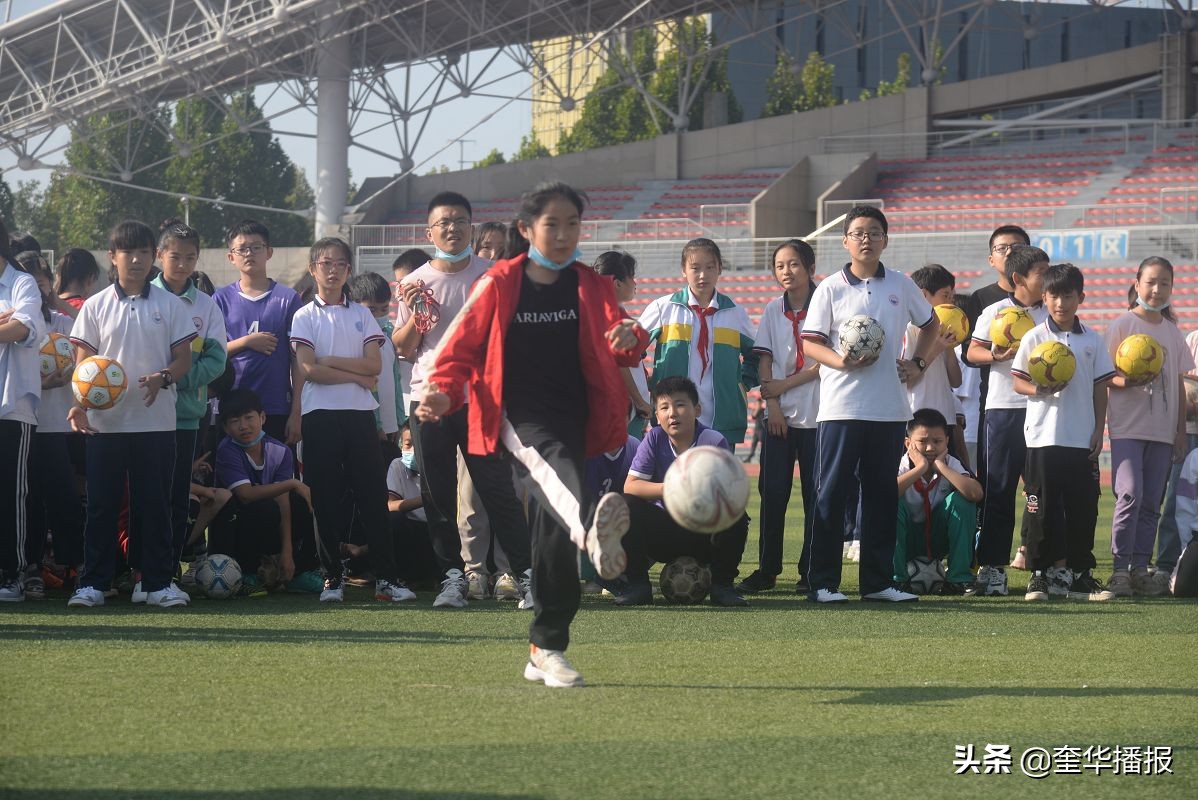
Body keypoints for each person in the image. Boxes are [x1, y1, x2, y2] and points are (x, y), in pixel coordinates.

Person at [416, 181, 648, 688]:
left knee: (553, 535)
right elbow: (458, 350)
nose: (563, 234)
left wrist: (630, 337)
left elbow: (622, 340)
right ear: (526, 230)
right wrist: (441, 391)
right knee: (564, 486)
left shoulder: (589, 284)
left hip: (575, 418)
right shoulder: (500, 283)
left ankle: (546, 646)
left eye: (572, 224)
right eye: (552, 224)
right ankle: (593, 527)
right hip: (518, 416)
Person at [394, 191, 533, 609]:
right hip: (428, 397)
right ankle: (453, 578)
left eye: (459, 221)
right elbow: (402, 347)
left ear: (472, 227)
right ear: (429, 231)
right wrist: (418, 320)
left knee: (497, 490)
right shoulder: (413, 281)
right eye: (443, 223)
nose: (451, 229)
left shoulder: (495, 275)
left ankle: (525, 577)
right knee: (438, 493)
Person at [799, 205, 941, 603]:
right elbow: (810, 342)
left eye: (874, 232)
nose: (866, 239)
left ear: (885, 240)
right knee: (831, 495)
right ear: (845, 240)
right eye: (858, 233)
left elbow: (931, 326)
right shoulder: (830, 287)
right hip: (841, 408)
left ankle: (877, 583)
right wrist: (841, 361)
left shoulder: (900, 284)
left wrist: (918, 363)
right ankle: (823, 583)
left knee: (881, 495)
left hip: (889, 408)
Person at [65, 220, 196, 608]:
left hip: (157, 423)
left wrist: (164, 377)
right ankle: (93, 583)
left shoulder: (170, 305)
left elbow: (184, 359)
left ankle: (155, 583)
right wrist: (78, 405)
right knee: (103, 504)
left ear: (154, 256)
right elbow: (83, 366)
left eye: (143, 252)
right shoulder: (95, 305)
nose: (136, 259)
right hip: (106, 425)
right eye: (128, 252)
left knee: (154, 503)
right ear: (113, 257)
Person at [290, 237, 411, 604]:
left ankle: (386, 578)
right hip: (319, 415)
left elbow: (375, 365)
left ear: (348, 270)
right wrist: (356, 375)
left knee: (372, 496)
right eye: (325, 263)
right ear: (313, 269)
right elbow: (308, 370)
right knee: (325, 498)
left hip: (360, 415)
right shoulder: (303, 316)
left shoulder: (361, 314)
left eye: (340, 264)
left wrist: (332, 362)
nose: (333, 269)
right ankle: (332, 578)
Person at [1012, 263, 1116, 602]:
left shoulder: (1093, 340)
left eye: (1068, 295)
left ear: (1080, 297)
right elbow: (1017, 381)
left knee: (1083, 508)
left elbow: (1101, 389)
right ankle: (1040, 576)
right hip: (1043, 436)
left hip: (1081, 436)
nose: (1061, 303)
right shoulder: (1034, 337)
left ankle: (1080, 576)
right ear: (1044, 297)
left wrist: (1099, 430)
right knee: (1040, 507)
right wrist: (1038, 391)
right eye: (1054, 295)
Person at [1103, 257, 1193, 597]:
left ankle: (1140, 569)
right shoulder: (1123, 325)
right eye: (1151, 282)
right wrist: (1127, 380)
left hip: (1163, 432)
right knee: (1129, 494)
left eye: (1164, 283)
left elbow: (1179, 385)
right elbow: (1105, 376)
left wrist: (1180, 433)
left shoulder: (1172, 333)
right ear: (1137, 284)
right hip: (1127, 427)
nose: (1157, 290)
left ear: (1172, 287)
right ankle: (1118, 570)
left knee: (1152, 502)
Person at [148, 221, 227, 598]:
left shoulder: (206, 305)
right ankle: (139, 572)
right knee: (146, 495)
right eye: (174, 256)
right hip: (142, 414)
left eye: (190, 257)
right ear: (160, 255)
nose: (181, 264)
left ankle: (166, 572)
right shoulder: (143, 295)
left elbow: (216, 361)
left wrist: (172, 379)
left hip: (183, 416)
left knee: (178, 497)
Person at [620, 376, 750, 607]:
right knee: (626, 505)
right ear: (656, 415)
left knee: (736, 514)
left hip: (703, 533)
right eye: (664, 407)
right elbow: (631, 486)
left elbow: (729, 491)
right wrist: (673, 488)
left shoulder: (713, 440)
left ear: (697, 409)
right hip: (664, 533)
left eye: (680, 405)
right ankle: (638, 586)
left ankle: (722, 586)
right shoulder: (654, 438)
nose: (673, 413)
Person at [737, 239, 820, 595]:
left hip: (821, 414)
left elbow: (823, 363)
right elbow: (764, 358)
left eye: (794, 264)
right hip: (779, 417)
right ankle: (768, 569)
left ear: (810, 267)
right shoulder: (773, 308)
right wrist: (773, 407)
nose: (786, 271)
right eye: (780, 266)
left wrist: (783, 385)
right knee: (772, 492)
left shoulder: (828, 301)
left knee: (817, 495)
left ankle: (811, 569)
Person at [966, 245, 1050, 596]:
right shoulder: (994, 311)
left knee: (1038, 494)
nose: (1047, 279)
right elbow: (972, 352)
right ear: (1018, 278)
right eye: (1041, 272)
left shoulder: (1051, 314)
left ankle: (1039, 567)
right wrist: (994, 354)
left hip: (1043, 412)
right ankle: (993, 568)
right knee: (998, 491)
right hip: (1002, 411)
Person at [638, 238, 758, 445]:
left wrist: (740, 385)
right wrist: (650, 384)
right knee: (673, 477)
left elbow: (757, 356)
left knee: (717, 477)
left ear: (720, 269)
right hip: (673, 419)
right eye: (695, 268)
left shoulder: (735, 313)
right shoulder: (663, 307)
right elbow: (631, 350)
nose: (703, 275)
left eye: (710, 267)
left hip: (722, 421)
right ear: (683, 270)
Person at [21, 254, 83, 598]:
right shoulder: (13, 323)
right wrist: (38, 382)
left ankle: (72, 564)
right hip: (23, 422)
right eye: (27, 279)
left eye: (41, 279)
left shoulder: (64, 321)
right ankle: (30, 567)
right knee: (28, 501)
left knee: (65, 498)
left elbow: (91, 349)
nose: (36, 286)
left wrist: (74, 374)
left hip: (61, 424)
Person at [210, 389, 313, 595]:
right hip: (233, 530)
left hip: (267, 525)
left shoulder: (280, 451)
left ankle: (296, 571)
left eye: (249, 418)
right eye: (235, 421)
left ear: (263, 417)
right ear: (225, 427)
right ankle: (246, 572)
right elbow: (246, 495)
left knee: (303, 504)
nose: (244, 426)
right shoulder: (227, 449)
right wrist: (293, 483)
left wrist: (287, 551)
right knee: (263, 507)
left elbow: (283, 501)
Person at [212, 220, 304, 445]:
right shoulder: (220, 300)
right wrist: (245, 342)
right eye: (242, 249)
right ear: (231, 257)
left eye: (256, 247)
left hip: (276, 406)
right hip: (231, 408)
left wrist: (296, 412)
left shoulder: (288, 299)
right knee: (233, 477)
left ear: (269, 252)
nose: (249, 253)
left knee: (278, 473)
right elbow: (210, 354)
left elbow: (299, 361)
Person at [0, 226, 47, 602]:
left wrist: (11, 325)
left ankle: (11, 574)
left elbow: (22, 329)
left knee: (10, 492)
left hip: (11, 403)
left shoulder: (22, 284)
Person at [893, 408, 983, 595]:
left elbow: (975, 494)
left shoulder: (950, 463)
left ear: (947, 442)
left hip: (937, 537)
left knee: (962, 501)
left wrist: (940, 467)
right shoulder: (901, 464)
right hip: (908, 539)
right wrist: (920, 469)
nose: (930, 448)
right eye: (922, 441)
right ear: (908, 443)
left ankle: (958, 579)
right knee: (890, 505)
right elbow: (885, 495)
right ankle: (897, 579)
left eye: (937, 441)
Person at [905, 265, 963, 453]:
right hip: (918, 422)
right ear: (923, 295)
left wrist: (948, 348)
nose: (950, 303)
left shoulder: (943, 332)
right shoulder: (909, 330)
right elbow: (907, 380)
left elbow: (956, 381)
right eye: (945, 296)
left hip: (945, 419)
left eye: (952, 297)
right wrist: (937, 347)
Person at [594, 250, 651, 436]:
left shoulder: (611, 313)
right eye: (632, 277)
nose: (635, 283)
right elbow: (618, 364)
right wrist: (639, 401)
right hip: (623, 410)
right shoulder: (608, 317)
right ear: (617, 283)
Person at [347, 272, 403, 446]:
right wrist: (377, 425)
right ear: (355, 305)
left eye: (384, 309)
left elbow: (396, 380)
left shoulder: (388, 335)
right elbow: (369, 385)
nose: (378, 315)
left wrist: (399, 420)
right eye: (371, 309)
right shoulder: (355, 340)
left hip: (391, 426)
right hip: (369, 426)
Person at [1157, 335, 1198, 575]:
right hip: (1190, 430)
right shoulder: (1192, 339)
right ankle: (1166, 564)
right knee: (1176, 498)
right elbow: (1181, 382)